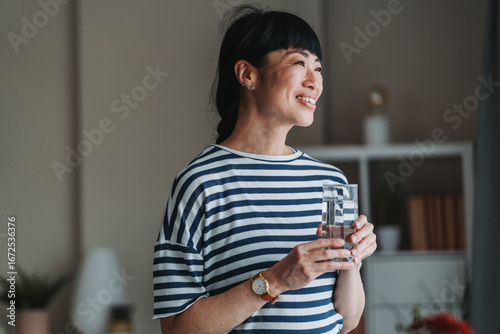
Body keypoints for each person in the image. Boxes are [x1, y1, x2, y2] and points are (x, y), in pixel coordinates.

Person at [153, 5, 377, 333]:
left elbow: (348, 320)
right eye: (299, 62)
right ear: (247, 75)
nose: (315, 81)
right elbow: (177, 329)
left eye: (318, 67)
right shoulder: (201, 183)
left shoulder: (331, 181)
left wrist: (352, 262)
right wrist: (275, 280)